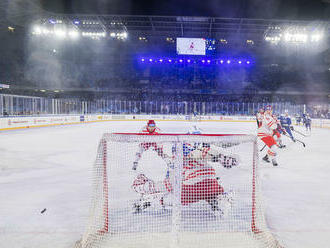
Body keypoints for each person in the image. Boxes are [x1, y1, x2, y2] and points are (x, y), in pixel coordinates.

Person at [131, 132, 238, 217]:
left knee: (170, 197)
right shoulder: (199, 155)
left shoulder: (176, 163)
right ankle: (218, 200)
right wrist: (221, 157)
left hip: (192, 190)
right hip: (212, 185)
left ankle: (150, 201)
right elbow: (205, 153)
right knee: (212, 186)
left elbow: (169, 185)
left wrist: (147, 187)